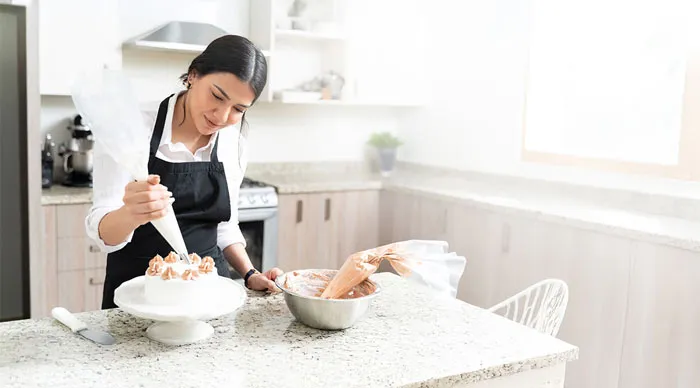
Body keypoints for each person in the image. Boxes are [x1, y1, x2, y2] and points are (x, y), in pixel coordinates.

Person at [85, 35, 282, 309]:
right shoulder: (132, 129)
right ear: (193, 75)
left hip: (208, 290)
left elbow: (225, 226)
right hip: (138, 293)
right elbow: (103, 233)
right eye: (217, 96)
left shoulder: (233, 142)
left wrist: (250, 274)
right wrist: (130, 214)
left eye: (238, 109)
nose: (222, 117)